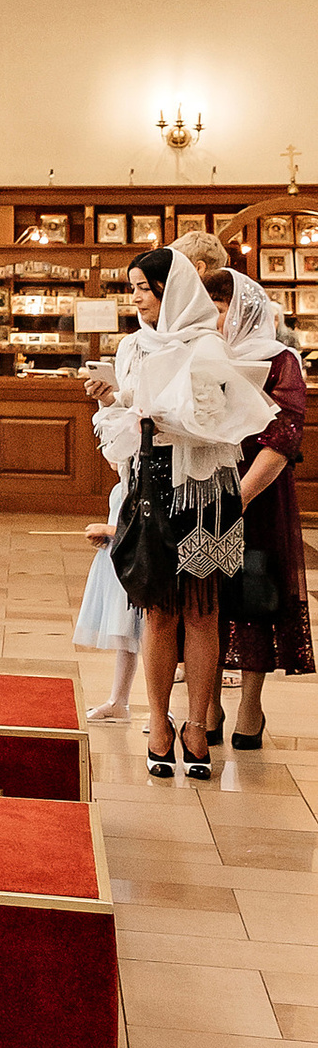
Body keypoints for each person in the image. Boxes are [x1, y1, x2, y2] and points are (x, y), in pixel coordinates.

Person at [110, 248, 272, 781]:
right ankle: (158, 722)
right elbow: (128, 429)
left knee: (203, 611)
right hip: (154, 486)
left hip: (208, 490)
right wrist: (118, 402)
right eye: (131, 287)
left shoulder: (209, 345)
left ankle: (197, 724)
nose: (134, 297)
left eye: (143, 288)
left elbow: (227, 425)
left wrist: (162, 418)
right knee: (158, 610)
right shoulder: (131, 345)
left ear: (171, 291)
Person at [208, 267, 308, 749]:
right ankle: (207, 702)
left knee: (254, 592)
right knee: (206, 594)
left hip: (259, 495)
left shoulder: (279, 359)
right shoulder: (201, 355)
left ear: (243, 309)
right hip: (206, 489)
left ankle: (251, 705)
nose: (214, 320)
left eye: (221, 310)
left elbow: (284, 435)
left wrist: (240, 499)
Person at [73, 302, 146, 724]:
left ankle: (168, 704)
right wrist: (109, 404)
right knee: (126, 605)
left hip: (154, 497)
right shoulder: (133, 351)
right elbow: (119, 459)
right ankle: (119, 698)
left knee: (153, 609)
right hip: (129, 491)